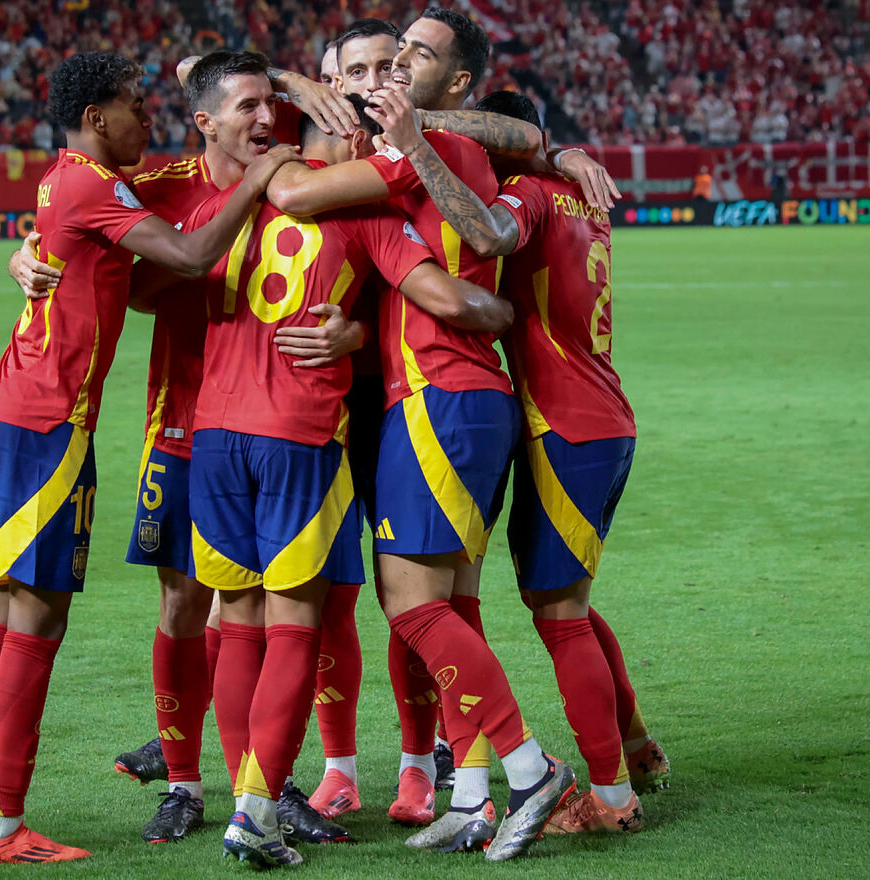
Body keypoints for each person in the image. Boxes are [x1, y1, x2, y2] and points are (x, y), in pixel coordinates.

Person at [0, 51, 297, 866]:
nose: (145, 119)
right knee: (37, 620)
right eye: (133, 106)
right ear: (97, 118)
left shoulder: (69, 177)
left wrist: (27, 250)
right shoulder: (101, 183)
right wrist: (260, 178)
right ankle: (0, 827)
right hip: (48, 424)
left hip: (8, 411)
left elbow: (89, 249)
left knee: (2, 607)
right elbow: (193, 258)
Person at [144, 83, 515, 868]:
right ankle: (256, 807)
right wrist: (501, 315)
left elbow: (159, 277)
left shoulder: (229, 203)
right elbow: (442, 294)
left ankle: (240, 791)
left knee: (235, 621)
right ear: (344, 141)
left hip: (212, 438)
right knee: (294, 630)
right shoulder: (364, 215)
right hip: (300, 440)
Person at [10, 51, 361, 847]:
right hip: (184, 420)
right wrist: (26, 255)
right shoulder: (165, 183)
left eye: (273, 104)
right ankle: (182, 782)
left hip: (283, 423)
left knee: (288, 611)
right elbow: (92, 250)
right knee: (184, 605)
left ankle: (266, 786)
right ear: (208, 119)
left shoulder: (303, 178)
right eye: (250, 106)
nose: (266, 119)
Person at [265, 8, 575, 861]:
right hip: (454, 397)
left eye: (408, 58)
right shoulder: (436, 149)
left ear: (451, 83)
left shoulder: (418, 153)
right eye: (385, 58)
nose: (391, 71)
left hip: (439, 395)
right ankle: (472, 795)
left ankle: (527, 766)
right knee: (448, 602)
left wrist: (304, 126)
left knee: (410, 602)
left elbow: (292, 193)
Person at [375, 86, 670, 835]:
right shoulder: (578, 194)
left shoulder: (530, 195)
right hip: (601, 416)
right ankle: (635, 747)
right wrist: (566, 151)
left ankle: (607, 797)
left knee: (561, 617)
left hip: (561, 421)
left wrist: (418, 146)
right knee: (565, 602)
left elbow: (488, 235)